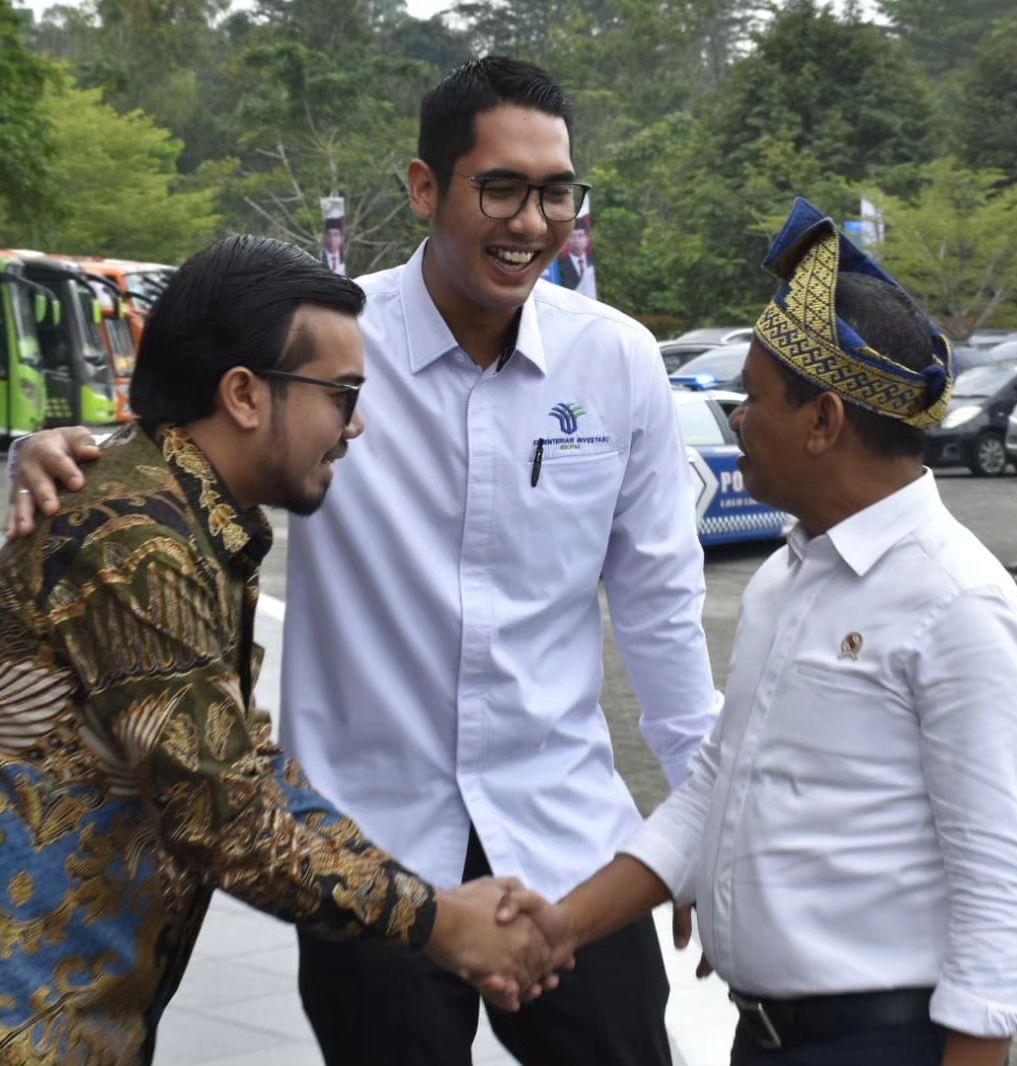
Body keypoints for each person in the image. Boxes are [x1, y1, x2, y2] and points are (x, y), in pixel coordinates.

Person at [7, 56, 718, 1066]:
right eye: (501, 189)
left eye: (556, 193)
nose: (531, 222)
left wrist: (696, 827)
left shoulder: (616, 360)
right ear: (425, 187)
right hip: (359, 836)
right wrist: (51, 450)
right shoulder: (327, 336)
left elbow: (661, 611)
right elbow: (188, 433)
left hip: (563, 828)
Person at [499, 198, 1017, 1066]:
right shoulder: (785, 578)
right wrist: (563, 926)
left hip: (883, 1045)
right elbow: (712, 791)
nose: (737, 419)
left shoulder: (960, 610)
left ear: (823, 421)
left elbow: (1000, 896)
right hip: (764, 1040)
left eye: (754, 399)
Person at [0, 235, 566, 1065]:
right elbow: (227, 823)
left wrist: (434, 904)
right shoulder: (138, 543)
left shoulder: (182, 520)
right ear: (244, 394)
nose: (355, 426)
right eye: (343, 394)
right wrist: (442, 925)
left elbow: (246, 770)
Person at [556, 220, 596, 298]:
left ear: (587, 239)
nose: (576, 241)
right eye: (572, 236)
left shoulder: (593, 262)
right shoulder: (560, 265)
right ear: (567, 240)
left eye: (580, 236)